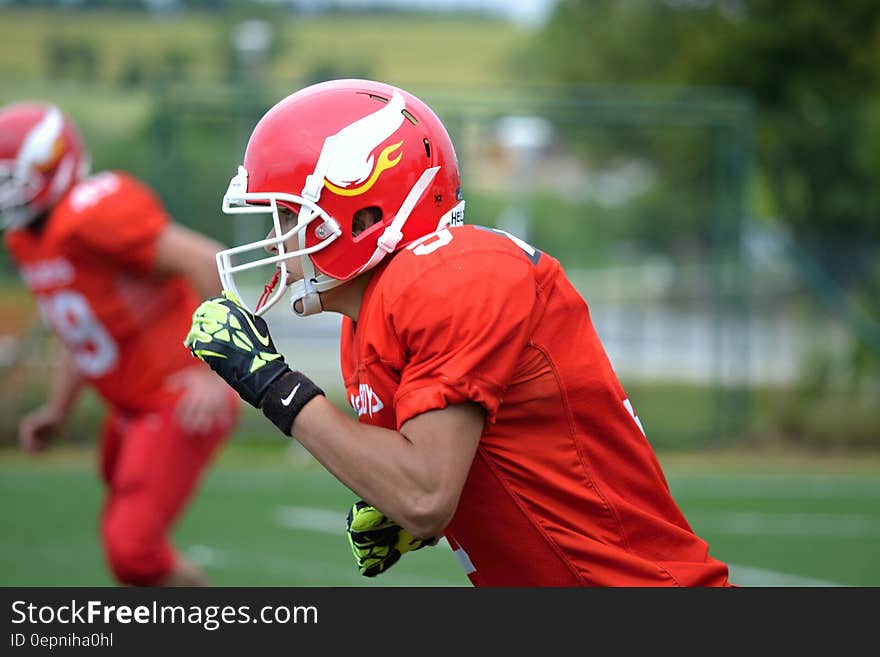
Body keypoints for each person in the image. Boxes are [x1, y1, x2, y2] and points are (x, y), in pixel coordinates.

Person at [184, 78, 734, 586]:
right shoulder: (367, 322)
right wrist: (400, 503)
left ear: (362, 208)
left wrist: (272, 384)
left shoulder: (449, 274)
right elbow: (446, 473)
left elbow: (424, 493)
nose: (280, 243)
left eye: (288, 217)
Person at [0, 102, 239, 586]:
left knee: (132, 552)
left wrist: (217, 370)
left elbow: (209, 262)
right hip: (130, 407)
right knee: (129, 546)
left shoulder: (94, 214)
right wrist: (58, 409)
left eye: (13, 179)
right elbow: (82, 330)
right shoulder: (27, 240)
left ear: (52, 164)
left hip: (179, 397)